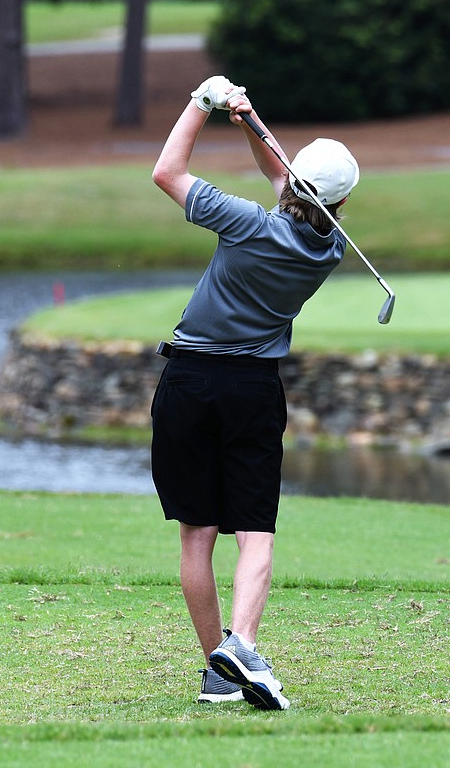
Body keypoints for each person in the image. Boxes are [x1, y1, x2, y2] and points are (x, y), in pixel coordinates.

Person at [150, 75, 360, 711]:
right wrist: (248, 118)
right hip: (253, 391)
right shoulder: (325, 248)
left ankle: (220, 668)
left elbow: (167, 171)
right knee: (255, 535)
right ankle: (241, 643)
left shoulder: (243, 223)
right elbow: (285, 181)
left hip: (190, 382)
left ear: (297, 185)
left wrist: (201, 103)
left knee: (197, 536)